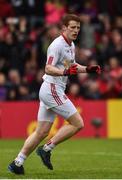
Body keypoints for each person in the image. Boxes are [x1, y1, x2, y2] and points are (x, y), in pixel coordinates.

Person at [8, 14, 101, 175]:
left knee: (41, 132)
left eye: (78, 27)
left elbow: (71, 66)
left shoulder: (70, 45)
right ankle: (47, 148)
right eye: (72, 27)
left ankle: (17, 162)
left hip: (50, 89)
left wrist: (87, 69)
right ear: (64, 28)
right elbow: (48, 68)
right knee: (78, 123)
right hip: (52, 88)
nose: (76, 30)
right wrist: (65, 71)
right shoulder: (57, 45)